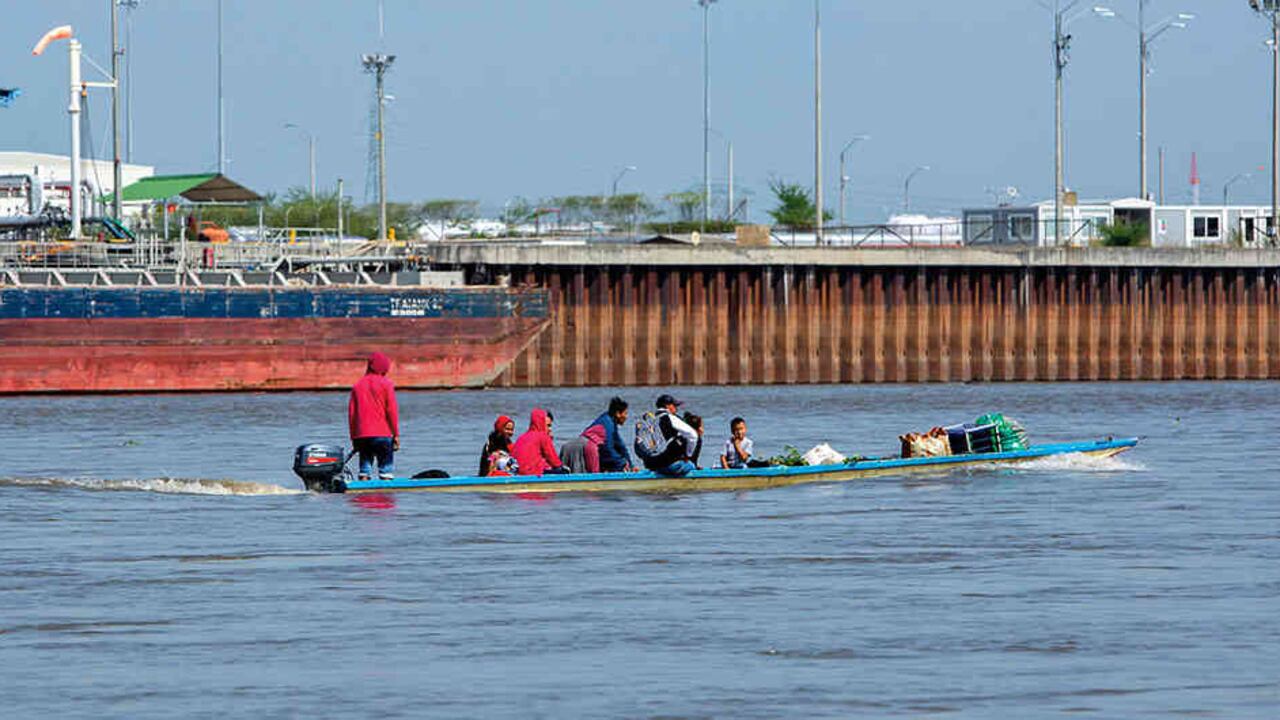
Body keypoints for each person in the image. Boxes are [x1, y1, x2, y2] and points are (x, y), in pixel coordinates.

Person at [348, 351, 399, 480]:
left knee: (364, 469)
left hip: (362, 435)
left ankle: (363, 487)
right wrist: (396, 434)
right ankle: (386, 485)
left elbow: (352, 414)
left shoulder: (357, 385)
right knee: (385, 470)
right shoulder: (386, 384)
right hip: (382, 434)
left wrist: (354, 437)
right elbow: (391, 411)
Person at [640, 394, 700, 477]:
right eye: (674, 405)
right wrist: (688, 455)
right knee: (691, 465)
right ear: (667, 406)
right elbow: (693, 435)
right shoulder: (670, 417)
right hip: (669, 466)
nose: (676, 409)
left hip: (652, 466)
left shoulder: (650, 421)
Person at [512, 408, 568, 476]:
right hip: (532, 473)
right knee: (564, 471)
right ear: (541, 422)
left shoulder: (522, 437)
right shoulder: (542, 436)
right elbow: (555, 461)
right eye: (548, 425)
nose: (550, 429)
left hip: (518, 473)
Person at [584, 396, 633, 472]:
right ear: (618, 414)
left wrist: (630, 465)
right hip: (586, 448)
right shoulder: (607, 424)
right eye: (625, 413)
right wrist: (622, 463)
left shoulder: (611, 422)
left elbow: (620, 446)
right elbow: (607, 448)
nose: (626, 417)